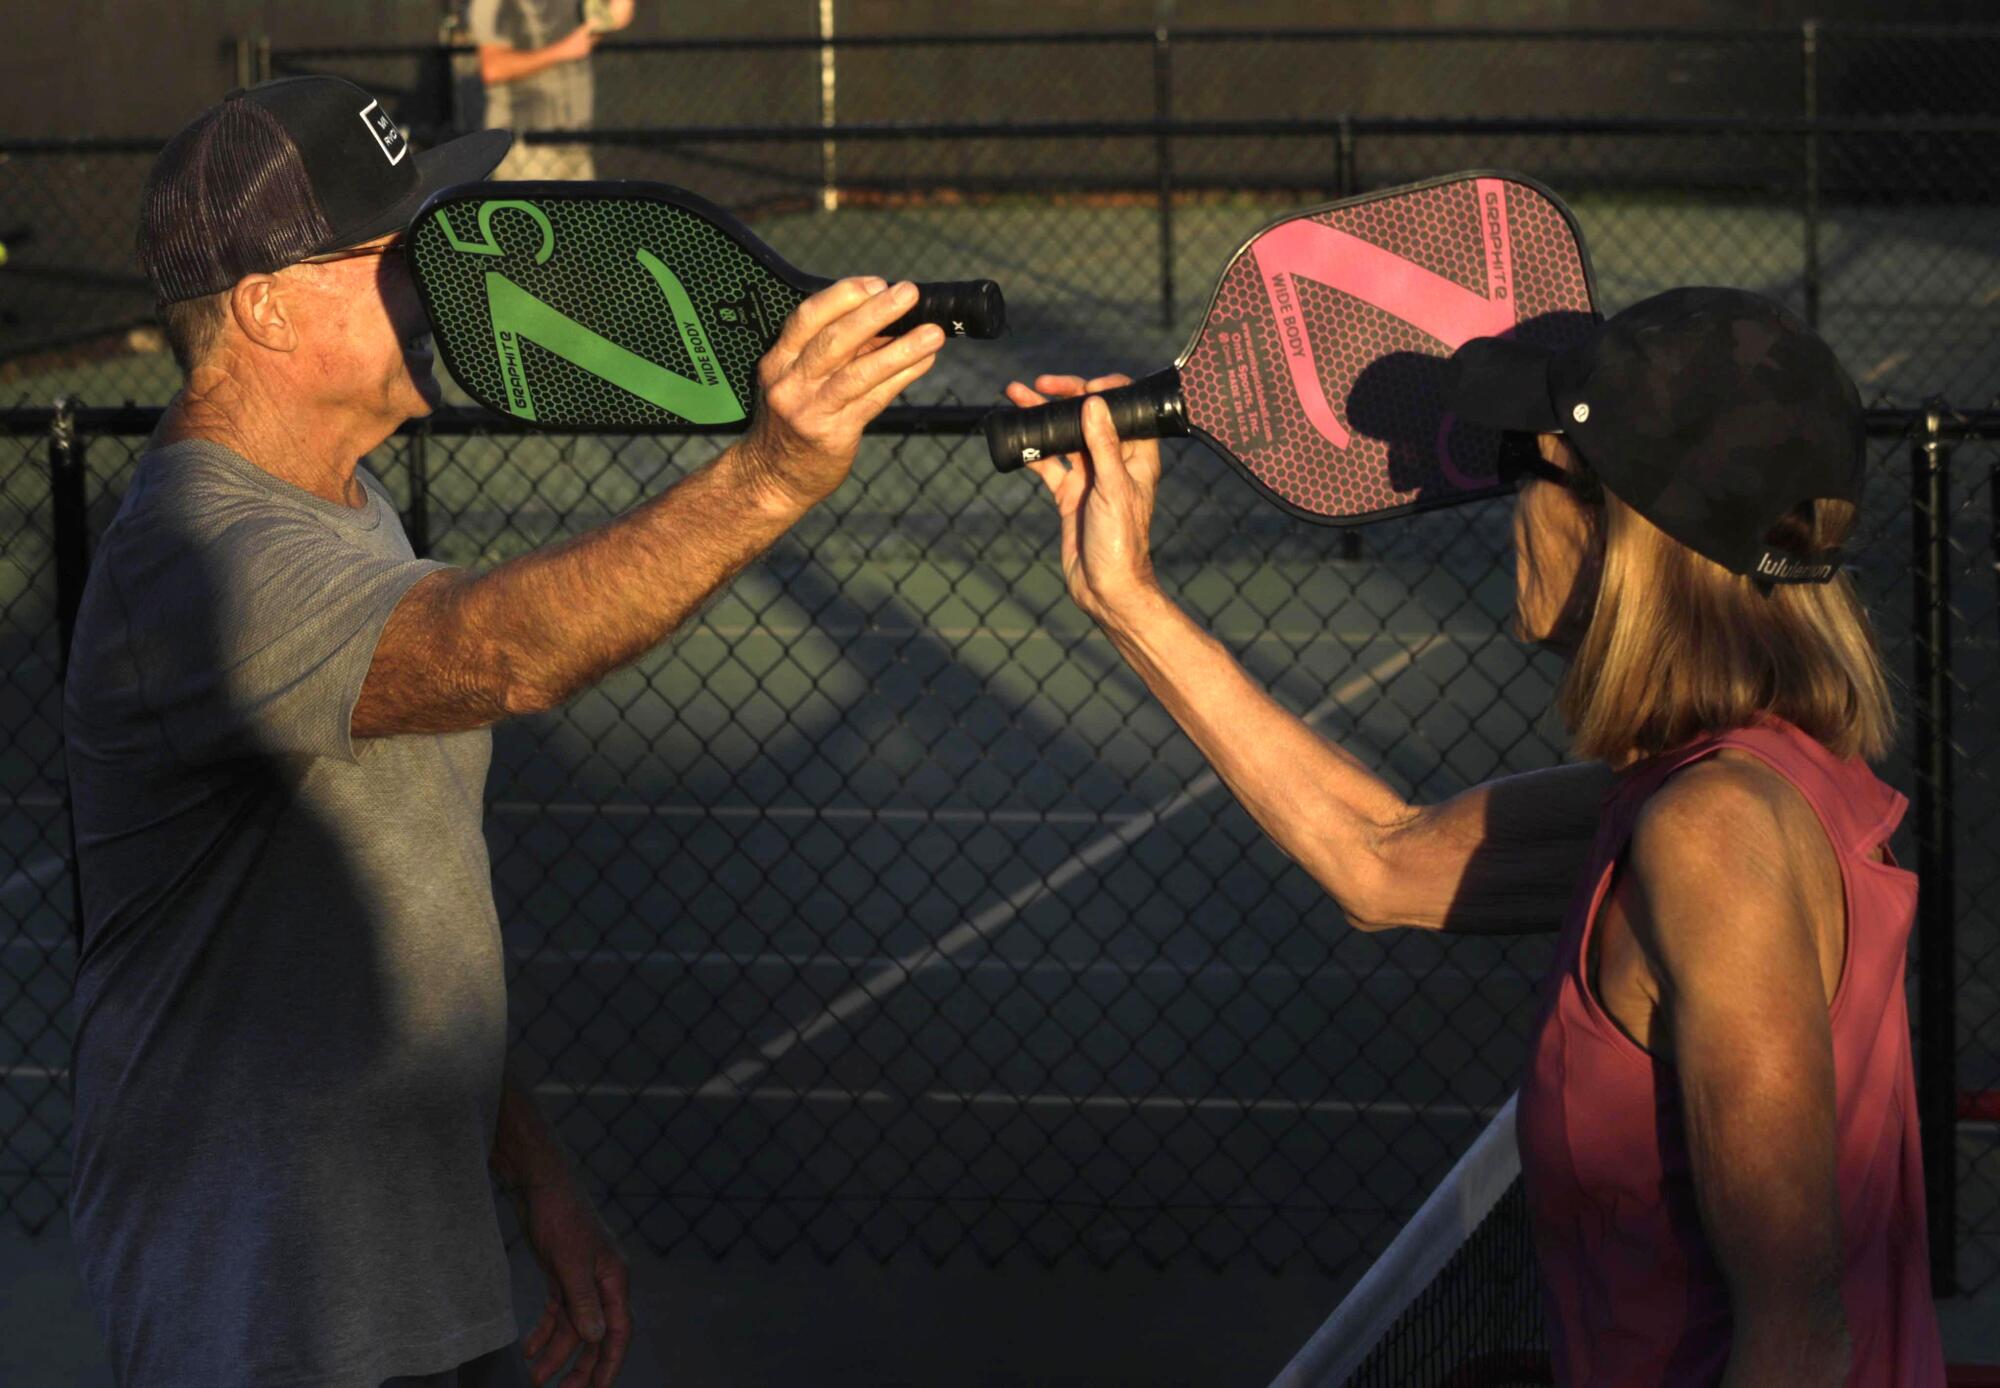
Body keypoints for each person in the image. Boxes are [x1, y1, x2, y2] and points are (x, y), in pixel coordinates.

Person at [63, 74, 945, 1388]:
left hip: (418, 1298)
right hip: (260, 1328)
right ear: (267, 304)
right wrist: (768, 474)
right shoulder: (199, 560)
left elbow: (393, 916)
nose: (448, 274)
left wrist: (532, 1172)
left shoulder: (337, 504)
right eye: (403, 248)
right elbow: (497, 650)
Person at [1005, 287, 1947, 1386]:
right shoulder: (1722, 787)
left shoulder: (1713, 833)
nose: (1504, 504)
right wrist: (1124, 595)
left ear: (1626, 527)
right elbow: (1382, 858)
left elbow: (1798, 1340)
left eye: (1525, 466)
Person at [466, 0, 633, 180]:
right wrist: (564, 50)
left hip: (576, 141)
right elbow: (493, 68)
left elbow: (608, 21)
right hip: (525, 146)